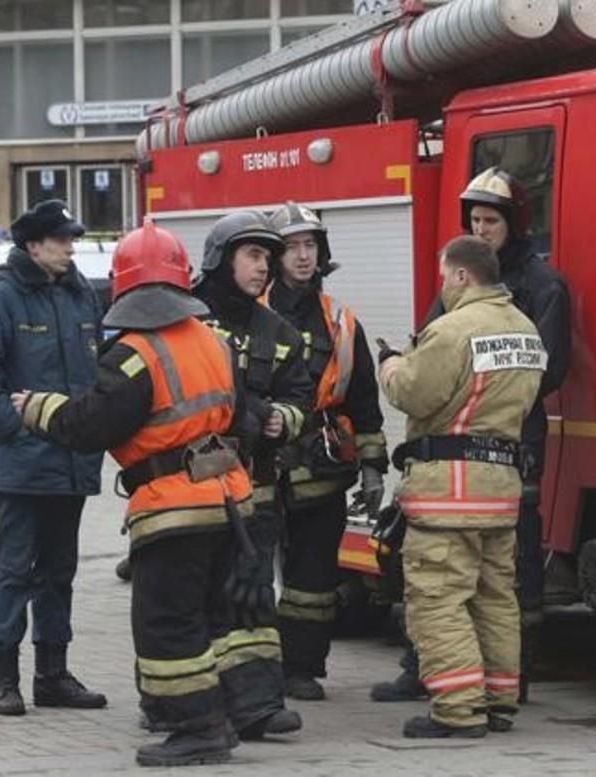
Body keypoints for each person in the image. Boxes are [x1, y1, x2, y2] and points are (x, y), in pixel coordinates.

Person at [12, 219, 257, 766]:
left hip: (173, 510)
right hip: (227, 501)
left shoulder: (132, 354)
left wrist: (37, 407)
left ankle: (197, 731)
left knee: (168, 625)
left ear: (123, 287)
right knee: (210, 619)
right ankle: (221, 716)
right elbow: (241, 414)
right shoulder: (215, 342)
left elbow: (90, 426)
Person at [372, 167, 571, 703]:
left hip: (501, 450)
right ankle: (435, 671)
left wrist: (401, 370)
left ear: (514, 224)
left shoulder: (541, 287)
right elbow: (430, 346)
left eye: (491, 221)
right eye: (476, 220)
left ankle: (496, 685)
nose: (482, 229)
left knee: (485, 580)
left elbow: (543, 372)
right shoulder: (464, 294)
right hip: (478, 457)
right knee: (482, 583)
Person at [378, 235, 545, 737]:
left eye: (444, 275)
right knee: (495, 597)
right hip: (499, 490)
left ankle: (458, 710)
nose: (442, 286)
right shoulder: (526, 329)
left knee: (438, 598)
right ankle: (498, 701)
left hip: (448, 491)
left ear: (460, 275)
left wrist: (390, 364)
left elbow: (416, 393)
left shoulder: (451, 330)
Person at [0, 199, 107, 717]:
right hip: (25, 466)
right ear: (33, 245)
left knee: (59, 571)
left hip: (72, 461)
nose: (70, 247)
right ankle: (4, 676)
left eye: (71, 239)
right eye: (62, 239)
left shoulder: (79, 293)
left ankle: (53, 675)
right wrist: (15, 430)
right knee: (15, 571)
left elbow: (97, 368)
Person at [189, 209, 315, 740]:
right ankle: (185, 704)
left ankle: (259, 706)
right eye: (254, 255)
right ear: (221, 259)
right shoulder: (187, 322)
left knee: (253, 596)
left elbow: (301, 394)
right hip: (190, 490)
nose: (265, 267)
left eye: (268, 257)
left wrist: (285, 418)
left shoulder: (278, 332)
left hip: (254, 489)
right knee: (189, 598)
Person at [264, 202, 388, 701]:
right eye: (292, 247)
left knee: (313, 579)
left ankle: (302, 668)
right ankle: (254, 669)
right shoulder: (251, 315)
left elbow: (363, 399)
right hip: (261, 467)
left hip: (321, 468)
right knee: (250, 576)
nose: (302, 256)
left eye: (309, 246)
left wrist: (375, 465)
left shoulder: (340, 320)